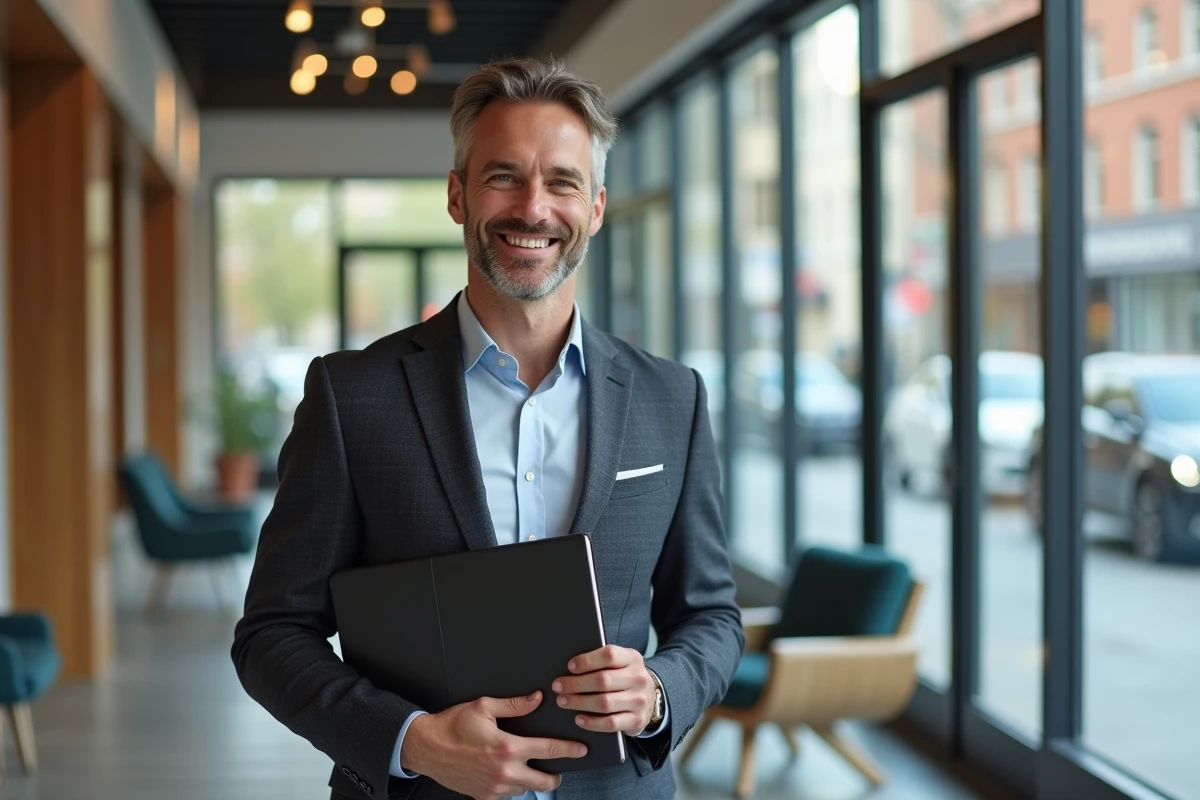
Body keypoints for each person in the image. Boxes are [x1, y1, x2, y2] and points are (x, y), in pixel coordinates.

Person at [231, 57, 744, 800]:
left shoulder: (673, 399)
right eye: (504, 175)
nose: (533, 208)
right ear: (456, 195)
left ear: (595, 207)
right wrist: (411, 742)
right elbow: (271, 635)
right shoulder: (350, 397)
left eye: (562, 181)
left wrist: (660, 691)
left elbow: (711, 617)